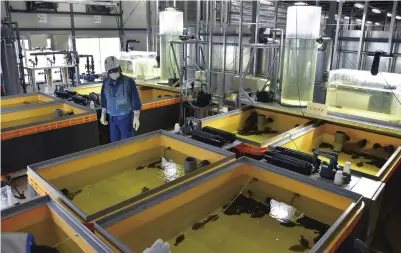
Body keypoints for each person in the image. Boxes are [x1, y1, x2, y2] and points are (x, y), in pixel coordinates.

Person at [100, 56, 142, 142]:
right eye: (111, 72)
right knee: (114, 144)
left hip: (126, 118)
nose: (113, 73)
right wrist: (103, 114)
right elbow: (104, 98)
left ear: (119, 68)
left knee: (127, 144)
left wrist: (136, 117)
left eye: (115, 70)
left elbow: (136, 100)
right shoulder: (106, 82)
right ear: (108, 72)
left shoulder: (129, 82)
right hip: (112, 119)